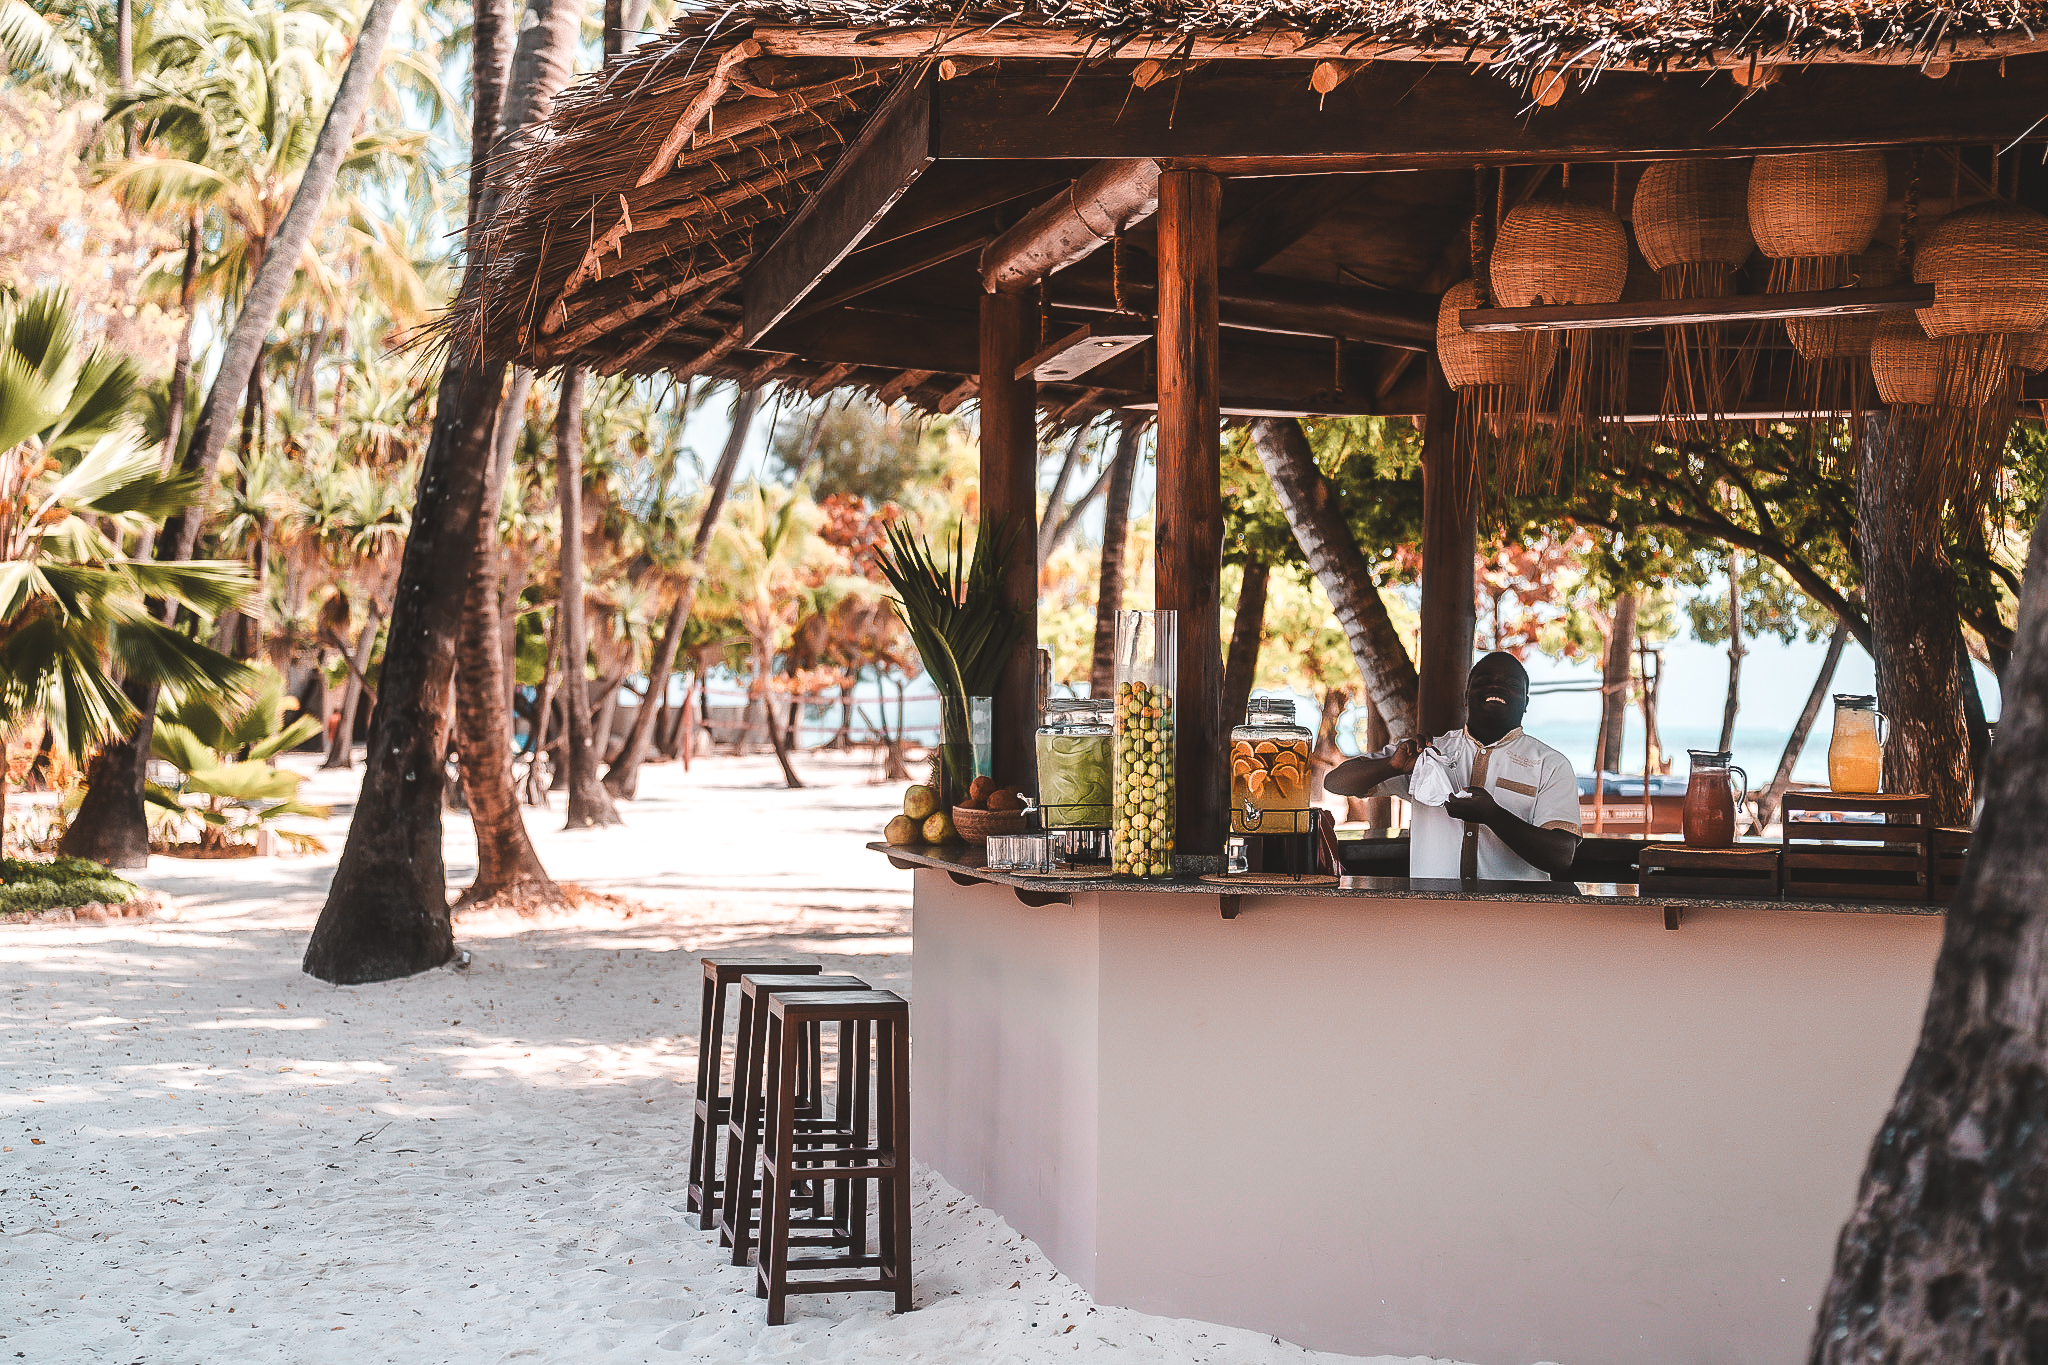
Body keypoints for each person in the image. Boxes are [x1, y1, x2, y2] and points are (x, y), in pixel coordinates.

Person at [1326, 652, 1582, 881]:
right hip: (1435, 919)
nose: (1496, 686)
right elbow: (1335, 782)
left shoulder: (1550, 765)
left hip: (1512, 922)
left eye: (1512, 684)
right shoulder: (1426, 754)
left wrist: (1492, 814)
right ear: (1465, 697)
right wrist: (1391, 766)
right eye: (1482, 681)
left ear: (1526, 702)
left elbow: (1560, 857)